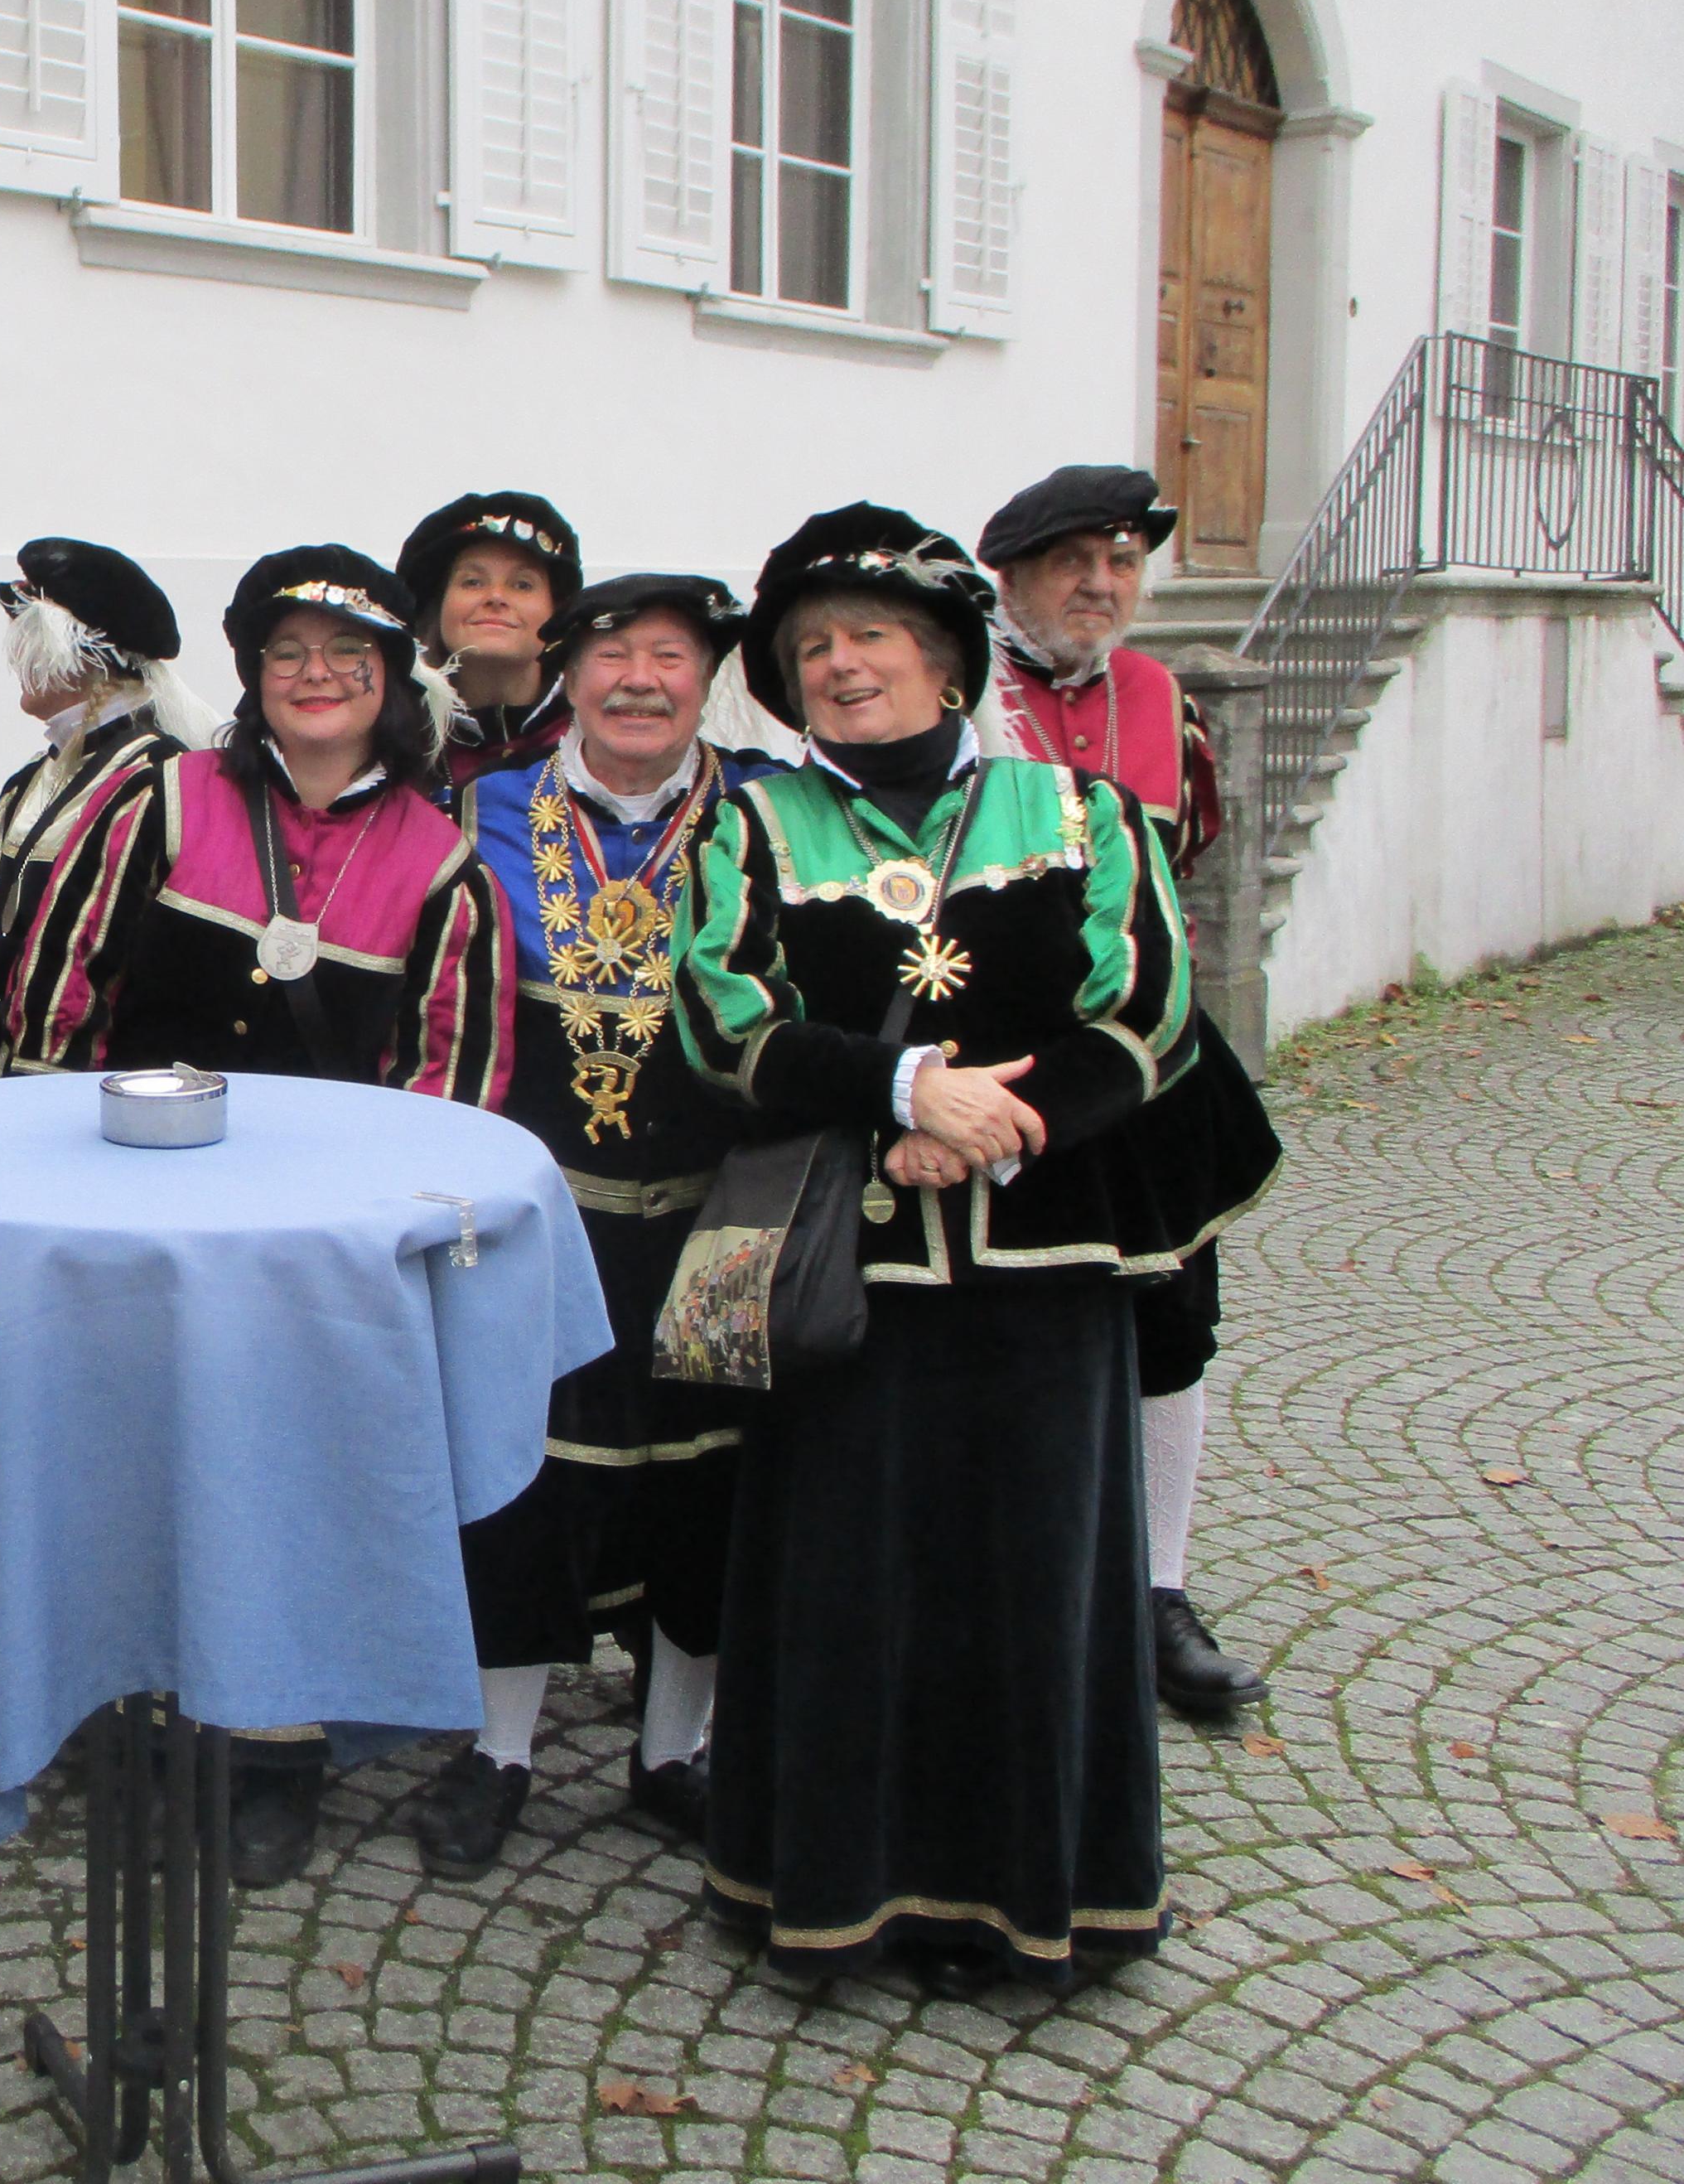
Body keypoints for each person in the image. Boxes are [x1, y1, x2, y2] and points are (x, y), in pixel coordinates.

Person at [675, 503, 1276, 1995]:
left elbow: (1145, 1010)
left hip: (1043, 1281)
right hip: (846, 1290)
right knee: (851, 1590)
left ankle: (1025, 1908)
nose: (840, 664)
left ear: (946, 661)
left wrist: (994, 1124)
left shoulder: (1080, 814)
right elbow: (721, 1017)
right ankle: (838, 1900)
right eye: (812, 647)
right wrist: (895, 1092)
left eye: (872, 636)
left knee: (1029, 1589)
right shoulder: (750, 827)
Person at [4, 544, 513, 1887]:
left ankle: (275, 1752)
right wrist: (46, 1192)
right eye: (288, 654)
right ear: (253, 674)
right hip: (135, 1220)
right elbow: (58, 997)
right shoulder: (161, 803)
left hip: (315, 1263)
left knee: (288, 1498)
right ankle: (129, 1710)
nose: (316, 675)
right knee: (132, 1467)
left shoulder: (442, 867)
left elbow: (451, 1095)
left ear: (392, 680)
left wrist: (383, 1249)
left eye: (347, 656)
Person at [417, 574, 783, 1878]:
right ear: (564, 675)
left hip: (724, 1222)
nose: (638, 679)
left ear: (706, 679)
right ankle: (496, 1749)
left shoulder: (764, 817)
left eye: (669, 656)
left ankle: (672, 1748)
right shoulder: (477, 814)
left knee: (710, 1478)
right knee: (522, 1474)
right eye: (611, 653)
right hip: (540, 1221)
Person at [978, 464, 1271, 1722]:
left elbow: (1184, 853)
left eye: (1121, 564)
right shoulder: (961, 693)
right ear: (1010, 577)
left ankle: (1158, 1591)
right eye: (1071, 564)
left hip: (1147, 1067)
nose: (1099, 586)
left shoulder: (1163, 701)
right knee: (1009, 1325)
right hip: (1005, 1075)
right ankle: (1011, 1583)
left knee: (1171, 1320)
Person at [0, 537, 219, 1084]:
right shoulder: (36, 775)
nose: (16, 661)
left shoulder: (155, 781)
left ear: (80, 658)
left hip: (97, 1079)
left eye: (27, 642)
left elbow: (125, 964)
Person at [396, 493, 583, 787]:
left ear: (556, 611)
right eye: (473, 582)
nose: (496, 597)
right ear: (438, 607)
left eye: (523, 585)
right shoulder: (392, 742)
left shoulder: (595, 736)